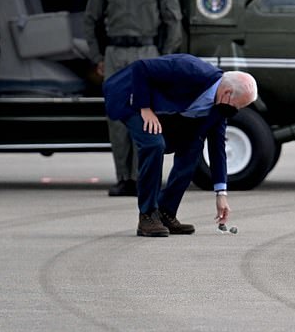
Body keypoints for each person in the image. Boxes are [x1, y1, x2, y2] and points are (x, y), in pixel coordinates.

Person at [101, 54, 258, 237]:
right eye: (237, 106)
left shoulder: (218, 108)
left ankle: (165, 211)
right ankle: (147, 215)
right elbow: (140, 67)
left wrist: (221, 194)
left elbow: (217, 149)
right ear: (227, 94)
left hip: (160, 106)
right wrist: (145, 108)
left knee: (192, 147)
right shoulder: (192, 69)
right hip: (132, 95)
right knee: (154, 145)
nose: (236, 111)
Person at [84, 0, 183, 197]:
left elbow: (174, 21)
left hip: (146, 53)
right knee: (117, 117)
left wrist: (163, 59)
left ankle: (143, 178)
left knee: (146, 115)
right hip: (115, 54)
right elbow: (90, 20)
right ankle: (123, 178)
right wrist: (97, 56)